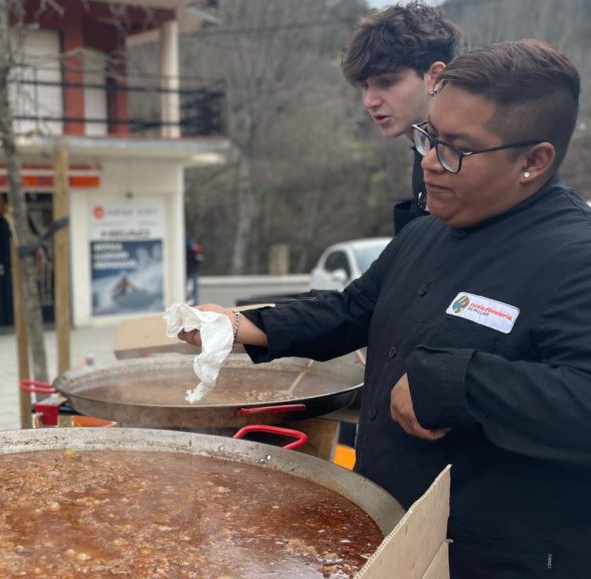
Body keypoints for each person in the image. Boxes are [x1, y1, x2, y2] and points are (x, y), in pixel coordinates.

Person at [179, 40, 590, 576]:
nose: (428, 162)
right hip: (390, 529)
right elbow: (353, 308)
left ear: (533, 161)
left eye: (456, 149)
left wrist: (455, 383)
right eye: (430, 138)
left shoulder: (574, 257)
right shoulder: (428, 232)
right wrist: (243, 325)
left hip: (496, 556)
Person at [341, 1, 461, 234]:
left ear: (435, 76)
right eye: (365, 86)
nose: (369, 102)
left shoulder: (466, 159)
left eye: (386, 82)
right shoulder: (424, 149)